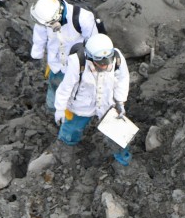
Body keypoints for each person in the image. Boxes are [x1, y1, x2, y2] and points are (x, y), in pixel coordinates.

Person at [53, 33, 132, 165]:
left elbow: (123, 78)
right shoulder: (77, 62)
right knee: (71, 130)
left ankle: (123, 159)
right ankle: (66, 147)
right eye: (100, 62)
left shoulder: (117, 58)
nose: (104, 66)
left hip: (107, 103)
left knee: (119, 135)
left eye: (106, 62)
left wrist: (120, 101)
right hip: (81, 104)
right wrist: (60, 108)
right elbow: (66, 86)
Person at [30, 0, 103, 112]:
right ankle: (51, 109)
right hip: (56, 64)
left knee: (73, 94)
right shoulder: (44, 19)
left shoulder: (83, 18)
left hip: (75, 66)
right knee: (54, 87)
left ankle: (69, 112)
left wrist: (91, 68)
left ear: (56, 19)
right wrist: (37, 54)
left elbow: (93, 43)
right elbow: (39, 35)